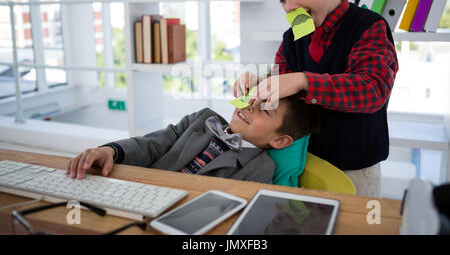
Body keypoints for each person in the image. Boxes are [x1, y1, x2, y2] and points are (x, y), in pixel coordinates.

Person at [233, 0, 398, 197]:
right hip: (305, 161)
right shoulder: (294, 35)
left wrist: (304, 80)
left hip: (354, 167)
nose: (290, 7)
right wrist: (261, 84)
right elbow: (285, 87)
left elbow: (373, 90)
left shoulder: (369, 26)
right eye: (281, 0)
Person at [66, 95, 320, 187]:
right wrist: (111, 150)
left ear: (280, 141)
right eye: (253, 98)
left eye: (266, 109)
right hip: (140, 190)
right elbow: (153, 144)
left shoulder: (261, 168)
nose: (251, 106)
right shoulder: (202, 119)